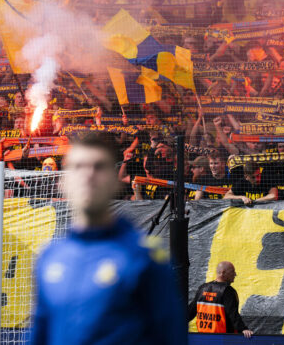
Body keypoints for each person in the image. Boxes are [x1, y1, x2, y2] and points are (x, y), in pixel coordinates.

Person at [27, 131, 186, 345]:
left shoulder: (144, 257)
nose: (88, 175)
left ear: (116, 181)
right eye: (78, 167)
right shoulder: (49, 258)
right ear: (62, 182)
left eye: (99, 167)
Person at [186, 261, 253, 336]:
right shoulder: (227, 291)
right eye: (232, 272)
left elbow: (190, 311)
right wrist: (243, 329)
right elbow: (233, 314)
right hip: (223, 339)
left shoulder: (202, 288)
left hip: (203, 338)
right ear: (223, 272)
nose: (235, 274)